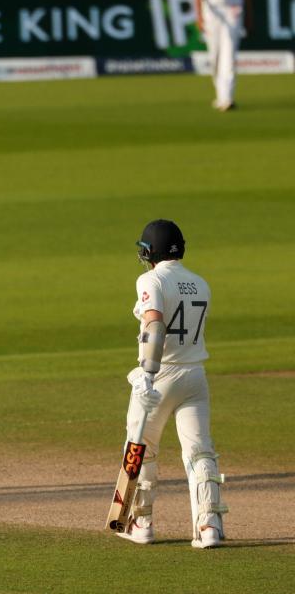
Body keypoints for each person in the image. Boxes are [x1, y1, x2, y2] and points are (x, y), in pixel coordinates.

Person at [117, 219, 228, 549]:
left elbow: (154, 324)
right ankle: (210, 526)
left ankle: (142, 522)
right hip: (195, 376)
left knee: (142, 448)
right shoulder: (201, 283)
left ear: (151, 251)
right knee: (199, 451)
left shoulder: (150, 279)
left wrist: (147, 374)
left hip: (161, 374)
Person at [195, 0, 249, 111]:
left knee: (229, 54)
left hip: (234, 7)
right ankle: (221, 95)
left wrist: (248, 13)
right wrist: (199, 15)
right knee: (215, 56)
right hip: (212, 8)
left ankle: (227, 98)